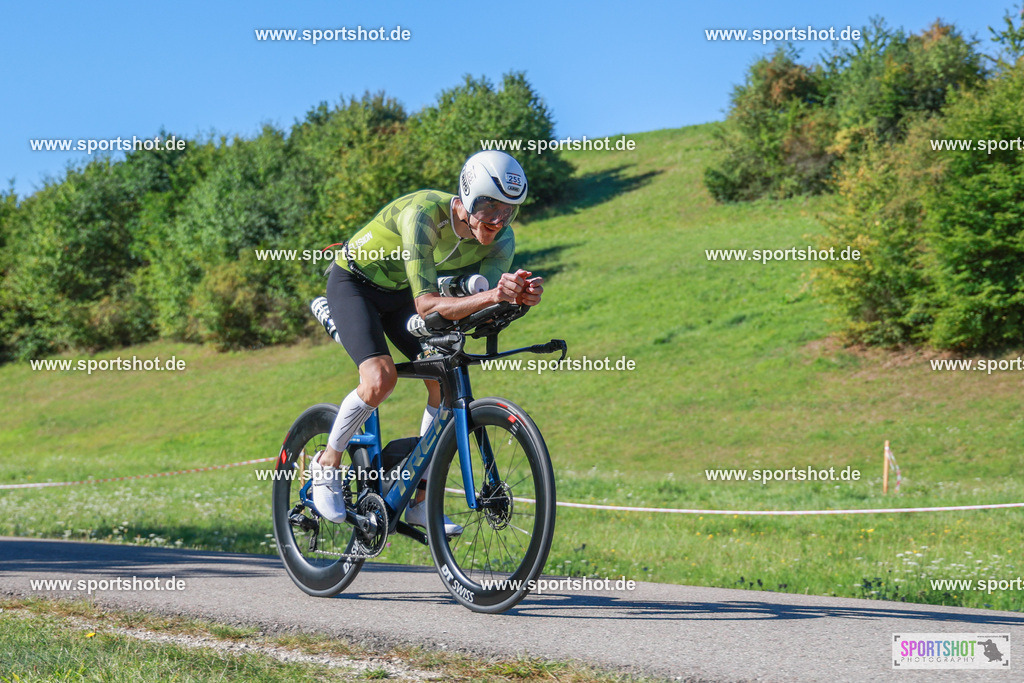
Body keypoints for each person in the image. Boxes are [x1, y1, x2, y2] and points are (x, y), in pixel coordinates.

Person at [311, 150, 543, 534]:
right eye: (489, 207)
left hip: (401, 293)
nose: (498, 220)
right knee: (380, 378)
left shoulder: (502, 240)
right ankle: (327, 464)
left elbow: (484, 302)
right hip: (355, 284)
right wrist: (496, 295)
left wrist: (518, 298)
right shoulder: (424, 214)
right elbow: (427, 305)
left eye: (508, 211)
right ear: (467, 197)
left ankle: (419, 498)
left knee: (443, 380)